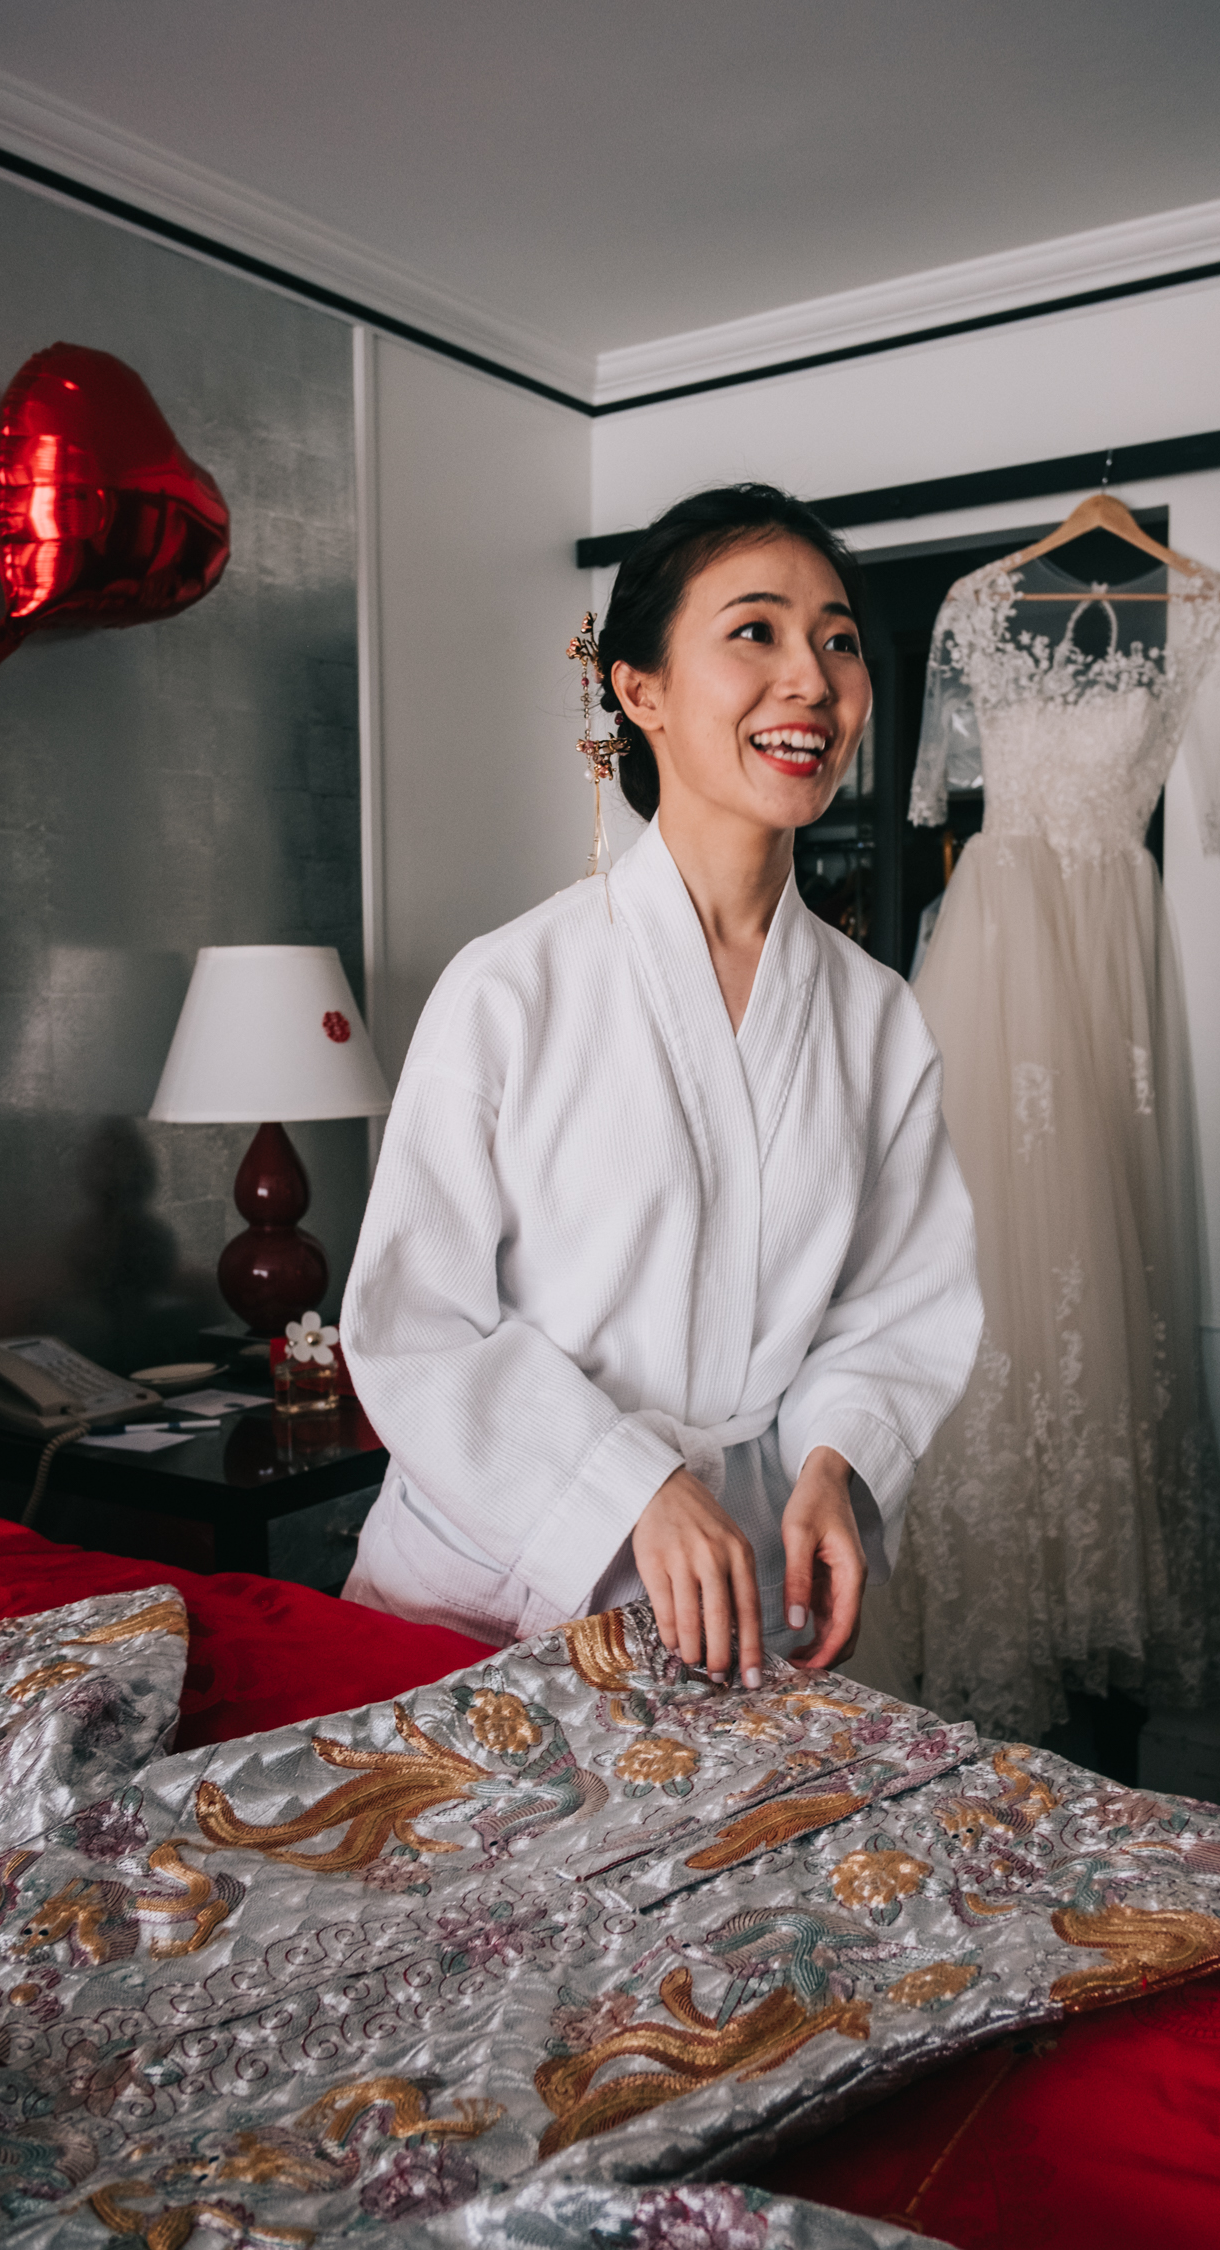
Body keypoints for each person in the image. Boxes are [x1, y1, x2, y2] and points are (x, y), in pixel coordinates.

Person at [340, 485, 982, 1682]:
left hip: (747, 1589)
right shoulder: (510, 987)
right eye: (756, 631)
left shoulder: (876, 1016)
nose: (813, 678)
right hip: (496, 1586)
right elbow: (414, 1324)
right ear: (641, 692)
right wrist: (623, 1486)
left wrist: (840, 1461)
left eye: (838, 640)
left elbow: (900, 1302)